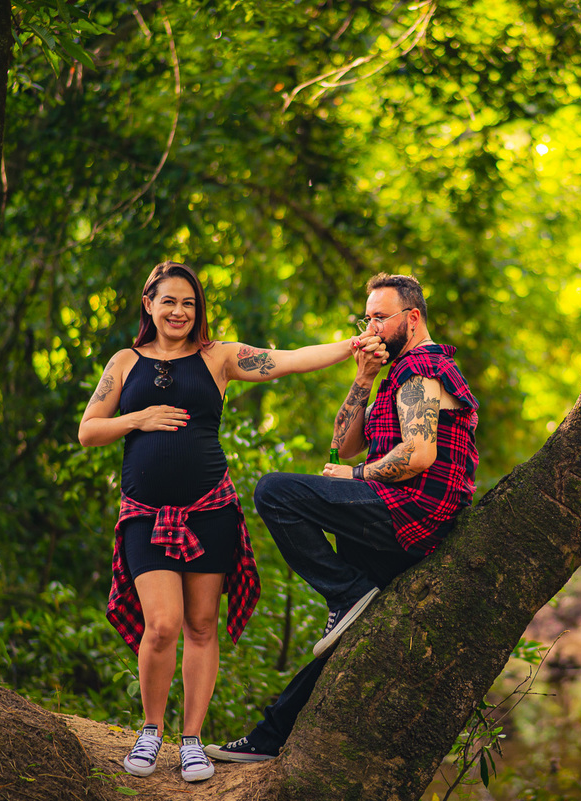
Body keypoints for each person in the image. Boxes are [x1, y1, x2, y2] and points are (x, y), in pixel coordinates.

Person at [78, 261, 384, 783]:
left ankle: (192, 740)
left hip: (210, 511)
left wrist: (352, 347)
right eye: (169, 301)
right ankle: (151, 731)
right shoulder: (124, 362)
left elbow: (287, 360)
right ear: (149, 304)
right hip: (145, 516)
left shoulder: (217, 356)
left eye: (189, 303)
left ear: (198, 310)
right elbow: (89, 429)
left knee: (201, 626)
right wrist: (140, 418)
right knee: (162, 625)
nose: (179, 311)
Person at [205, 272, 479, 762]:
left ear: (411, 318)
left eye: (380, 317)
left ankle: (346, 592)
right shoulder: (394, 373)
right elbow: (345, 443)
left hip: (415, 513)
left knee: (275, 492)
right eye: (366, 317)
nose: (370, 328)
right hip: (392, 516)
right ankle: (269, 738)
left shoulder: (422, 368)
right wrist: (362, 379)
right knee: (347, 637)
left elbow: (417, 455)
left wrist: (354, 478)